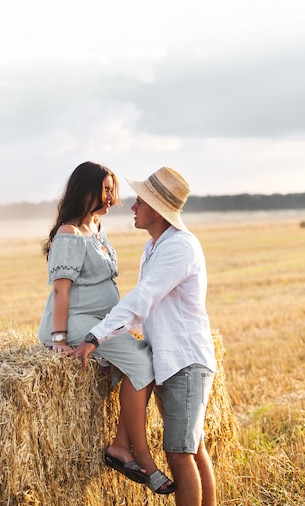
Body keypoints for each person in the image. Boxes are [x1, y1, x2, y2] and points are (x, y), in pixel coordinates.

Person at [68, 166, 217, 506]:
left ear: (158, 209)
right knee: (192, 448)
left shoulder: (179, 247)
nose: (132, 207)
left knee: (180, 453)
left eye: (140, 202)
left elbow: (142, 298)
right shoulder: (154, 248)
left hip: (185, 362)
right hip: (172, 360)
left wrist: (95, 335)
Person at [38, 161, 175, 495]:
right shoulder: (69, 233)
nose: (113, 196)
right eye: (106, 189)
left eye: (113, 189)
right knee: (143, 363)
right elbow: (61, 290)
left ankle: (119, 445)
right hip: (76, 323)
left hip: (102, 322)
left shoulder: (97, 228)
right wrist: (58, 338)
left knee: (145, 355)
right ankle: (138, 453)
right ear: (86, 191)